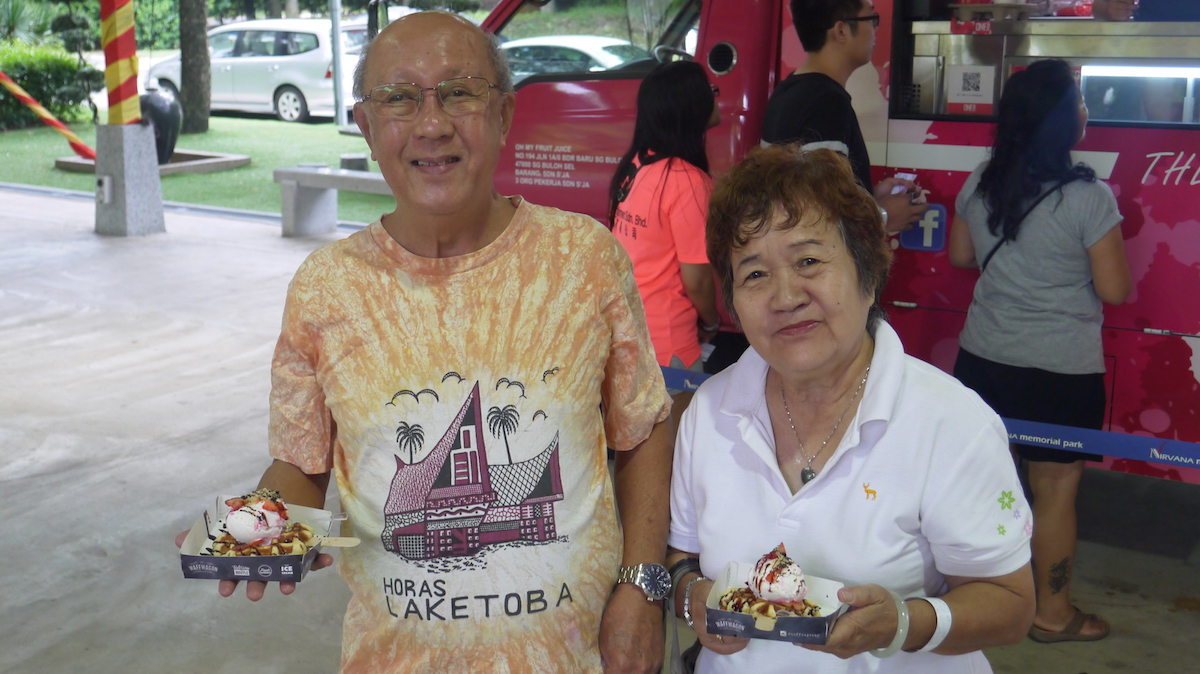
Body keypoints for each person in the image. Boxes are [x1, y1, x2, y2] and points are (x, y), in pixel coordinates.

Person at [182, 12, 675, 673]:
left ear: (504, 115)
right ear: (366, 127)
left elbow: (643, 428)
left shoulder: (584, 258)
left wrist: (644, 588)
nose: (432, 124)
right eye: (399, 98)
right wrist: (259, 528)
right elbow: (302, 463)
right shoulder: (326, 289)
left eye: (459, 92)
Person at [668, 145, 1035, 673]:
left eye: (809, 261)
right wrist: (691, 597)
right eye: (755, 275)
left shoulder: (951, 422)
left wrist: (903, 623)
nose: (786, 296)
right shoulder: (710, 411)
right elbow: (682, 556)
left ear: (867, 272)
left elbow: (1011, 605)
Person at [948, 59, 1131, 644]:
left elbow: (960, 256)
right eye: (1078, 99)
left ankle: (978, 602)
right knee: (1053, 495)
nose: (1085, 109)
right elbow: (1115, 289)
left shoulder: (982, 180)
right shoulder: (1088, 197)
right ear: (1060, 122)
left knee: (984, 485)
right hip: (1060, 373)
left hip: (982, 362)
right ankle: (1051, 615)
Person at [761, 0, 927, 234]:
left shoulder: (790, 91)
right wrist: (883, 216)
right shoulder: (825, 102)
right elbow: (820, 218)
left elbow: (810, 193)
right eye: (871, 19)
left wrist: (867, 194)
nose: (875, 30)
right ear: (841, 31)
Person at [607, 60, 721, 387]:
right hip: (669, 346)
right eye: (710, 90)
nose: (715, 96)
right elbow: (697, 280)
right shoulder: (688, 182)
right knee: (680, 420)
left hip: (628, 331)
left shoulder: (638, 162)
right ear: (692, 106)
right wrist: (711, 322)